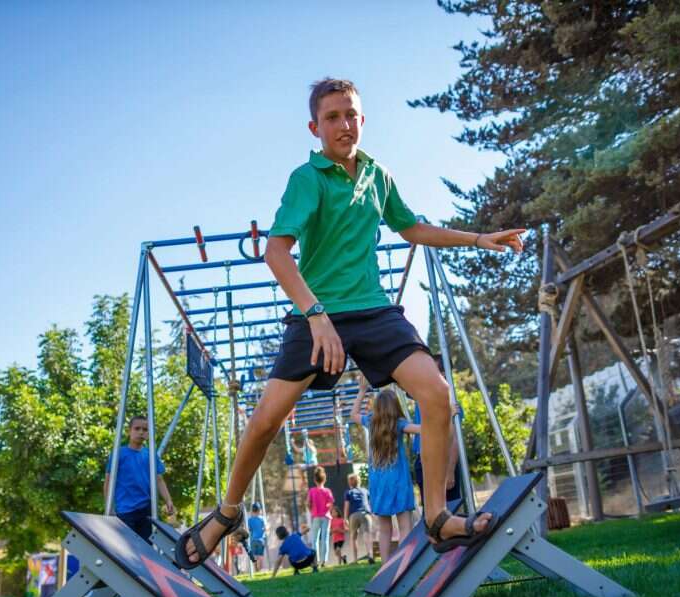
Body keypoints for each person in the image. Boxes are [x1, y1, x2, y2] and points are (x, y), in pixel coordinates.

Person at [176, 77, 523, 569]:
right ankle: (227, 513)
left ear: (363, 120)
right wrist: (316, 316)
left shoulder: (378, 175)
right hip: (316, 312)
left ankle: (437, 516)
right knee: (265, 420)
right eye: (332, 117)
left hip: (373, 309)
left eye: (351, 115)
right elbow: (276, 252)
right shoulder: (308, 179)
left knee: (438, 395)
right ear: (315, 128)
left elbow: (411, 227)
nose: (344, 125)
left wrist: (478, 238)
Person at [350, 378, 418, 563]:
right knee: (405, 527)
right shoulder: (400, 424)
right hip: (399, 481)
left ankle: (385, 567)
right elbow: (423, 429)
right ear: (395, 407)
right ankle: (404, 564)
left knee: (384, 529)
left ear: (378, 408)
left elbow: (353, 414)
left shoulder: (371, 422)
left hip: (379, 482)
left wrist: (362, 390)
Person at [103, 416, 176, 540]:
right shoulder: (119, 453)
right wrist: (109, 507)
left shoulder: (151, 455)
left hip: (146, 509)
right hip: (125, 511)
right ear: (129, 431)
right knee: (127, 546)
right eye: (137, 429)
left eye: (145, 429)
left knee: (147, 546)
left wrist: (168, 500)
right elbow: (108, 481)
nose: (141, 432)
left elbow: (159, 480)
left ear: (148, 433)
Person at [413, 354, 463, 508]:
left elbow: (455, 439)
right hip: (424, 461)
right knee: (430, 512)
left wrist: (450, 470)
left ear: (442, 374)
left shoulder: (450, 402)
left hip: (443, 461)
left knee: (450, 509)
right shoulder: (423, 396)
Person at [343, 472, 374, 564]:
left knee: (353, 537)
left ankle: (355, 559)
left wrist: (345, 518)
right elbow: (370, 503)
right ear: (359, 481)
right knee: (367, 534)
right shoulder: (365, 491)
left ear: (349, 483)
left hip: (354, 515)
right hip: (366, 513)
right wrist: (373, 514)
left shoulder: (349, 492)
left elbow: (347, 506)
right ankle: (370, 555)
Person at [307, 465, 334, 566]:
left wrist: (312, 511)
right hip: (326, 517)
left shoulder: (312, 491)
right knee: (325, 538)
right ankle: (324, 560)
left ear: (315, 480)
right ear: (324, 479)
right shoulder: (327, 491)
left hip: (316, 517)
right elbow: (331, 503)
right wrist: (328, 510)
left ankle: (315, 560)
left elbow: (308, 503)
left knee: (315, 539)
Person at [247, 502, 267, 571]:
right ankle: (260, 569)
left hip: (253, 540)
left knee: (254, 555)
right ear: (259, 510)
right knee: (260, 555)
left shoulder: (249, 520)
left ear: (252, 510)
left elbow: (249, 529)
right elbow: (265, 528)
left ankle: (256, 569)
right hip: (261, 540)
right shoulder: (262, 519)